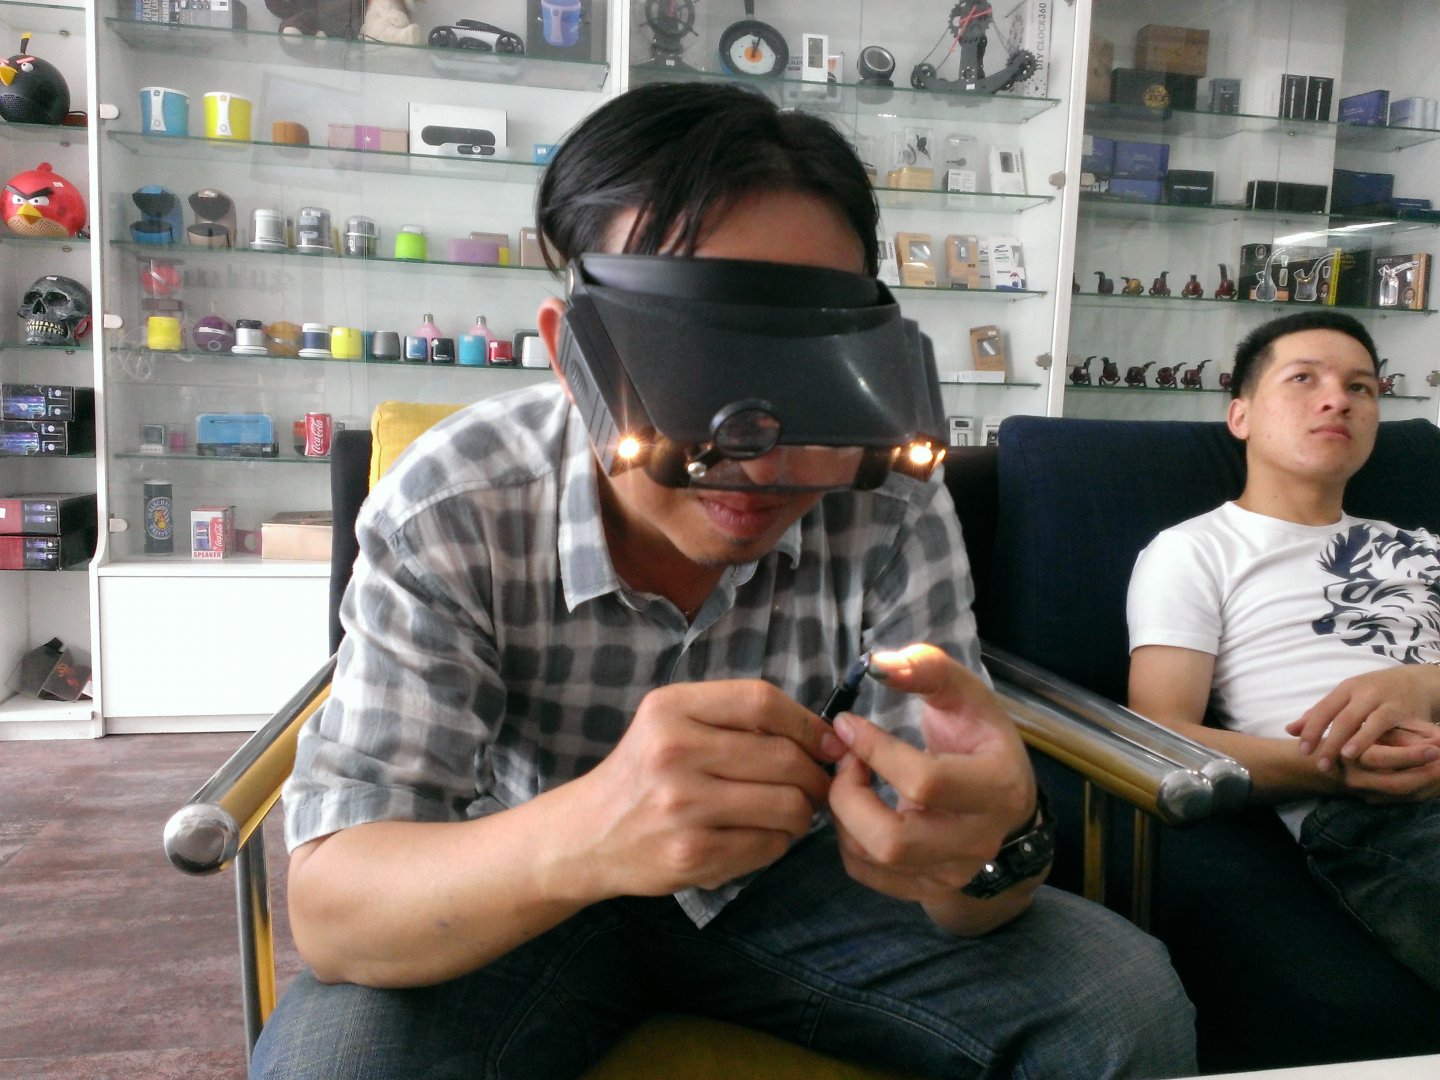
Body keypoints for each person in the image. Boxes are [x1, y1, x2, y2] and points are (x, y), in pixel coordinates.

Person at [252, 81, 1196, 1079]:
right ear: (572, 356)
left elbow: (955, 874)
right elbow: (336, 911)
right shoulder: (456, 502)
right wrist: (594, 833)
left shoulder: (886, 496)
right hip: (523, 881)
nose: (760, 457)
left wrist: (997, 845)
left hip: (795, 880)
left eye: (811, 375)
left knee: (1118, 1004)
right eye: (692, 369)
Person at [1128, 309, 1440, 992]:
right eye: (1304, 379)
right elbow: (1157, 737)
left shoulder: (1421, 546)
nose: (1338, 400)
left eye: (1361, 387)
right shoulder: (1194, 551)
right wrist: (1337, 769)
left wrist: (1424, 684)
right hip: (1382, 813)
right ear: (1239, 415)